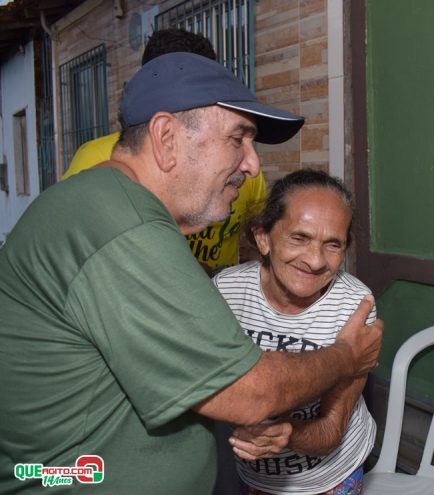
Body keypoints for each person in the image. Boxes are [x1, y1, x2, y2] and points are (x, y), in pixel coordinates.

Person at [0, 52, 383, 494]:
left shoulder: (98, 203)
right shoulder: (124, 226)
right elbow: (249, 391)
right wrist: (345, 356)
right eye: (238, 139)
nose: (252, 164)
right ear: (166, 137)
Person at [212, 170, 375, 495]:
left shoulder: (354, 307)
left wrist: (285, 433)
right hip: (254, 475)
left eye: (333, 245)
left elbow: (330, 431)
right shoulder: (226, 292)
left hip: (331, 476)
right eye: (299, 238)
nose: (315, 261)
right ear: (263, 237)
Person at [62, 28, 267, 274]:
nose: (251, 165)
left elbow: (254, 244)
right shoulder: (98, 162)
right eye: (235, 138)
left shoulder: (242, 171)